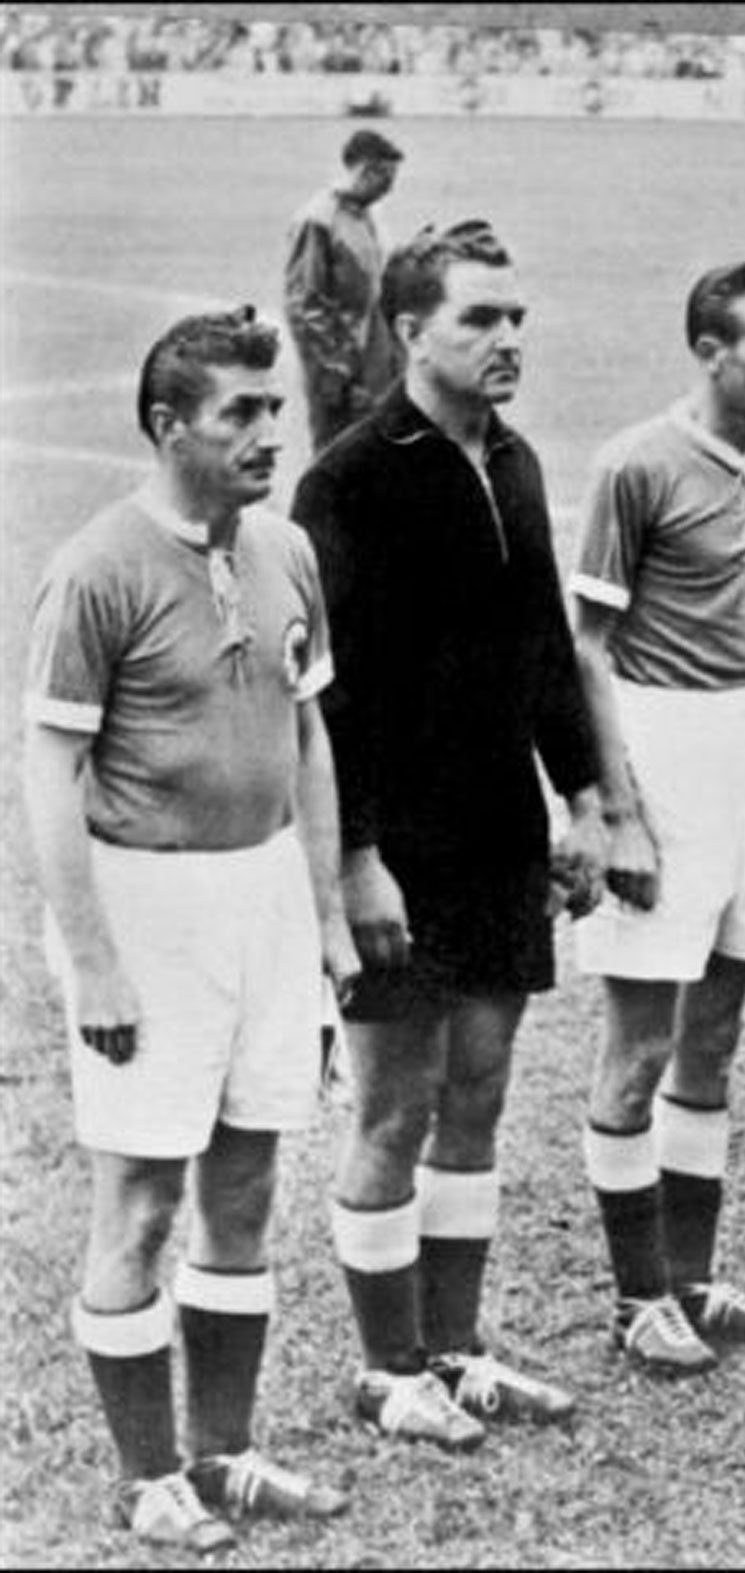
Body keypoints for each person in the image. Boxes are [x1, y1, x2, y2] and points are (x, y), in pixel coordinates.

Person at [24, 308, 356, 1550]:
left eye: (274, 410)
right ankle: (146, 1473)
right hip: (147, 908)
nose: (271, 432)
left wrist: (321, 915)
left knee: (246, 1184)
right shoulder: (98, 566)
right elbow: (47, 773)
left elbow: (309, 734)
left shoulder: (282, 549)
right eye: (242, 414)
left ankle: (227, 1452)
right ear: (170, 427)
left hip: (262, 895)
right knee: (144, 1200)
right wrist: (94, 955)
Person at [294, 219, 607, 1449]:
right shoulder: (350, 478)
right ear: (409, 330)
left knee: (477, 1091)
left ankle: (458, 1347)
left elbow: (543, 649)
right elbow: (331, 695)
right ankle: (387, 1367)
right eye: (480, 319)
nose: (507, 338)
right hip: (397, 849)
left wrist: (582, 799)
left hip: (500, 836)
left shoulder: (518, 461)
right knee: (394, 1104)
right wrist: (357, 856)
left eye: (517, 317)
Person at [566, 259, 745, 1372]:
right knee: (640, 1044)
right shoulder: (634, 464)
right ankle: (636, 1298)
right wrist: (616, 809)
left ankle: (695, 1280)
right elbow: (586, 647)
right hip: (660, 750)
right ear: (708, 351)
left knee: (713, 1036)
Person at [284, 128, 405, 453]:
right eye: (387, 180)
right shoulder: (318, 221)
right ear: (367, 171)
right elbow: (304, 304)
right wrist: (336, 371)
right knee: (336, 458)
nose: (389, 190)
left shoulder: (370, 215)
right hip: (340, 369)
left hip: (375, 362)